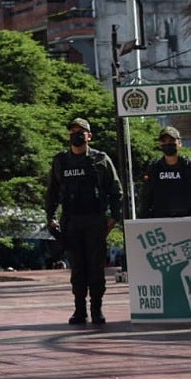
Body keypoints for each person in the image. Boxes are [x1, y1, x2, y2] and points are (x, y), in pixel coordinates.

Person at [45, 118, 122, 325]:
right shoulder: (60, 160)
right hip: (71, 221)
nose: (76, 135)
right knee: (77, 268)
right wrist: (50, 217)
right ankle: (79, 310)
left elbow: (116, 190)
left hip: (95, 220)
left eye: (81, 131)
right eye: (73, 131)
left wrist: (114, 217)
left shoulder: (101, 159)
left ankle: (96, 309)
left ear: (89, 135)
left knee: (96, 268)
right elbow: (52, 192)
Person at [139, 126, 191, 218]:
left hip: (187, 219)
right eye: (164, 141)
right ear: (159, 145)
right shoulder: (154, 168)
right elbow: (146, 197)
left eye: (171, 141)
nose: (168, 144)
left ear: (179, 143)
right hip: (161, 220)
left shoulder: (188, 166)